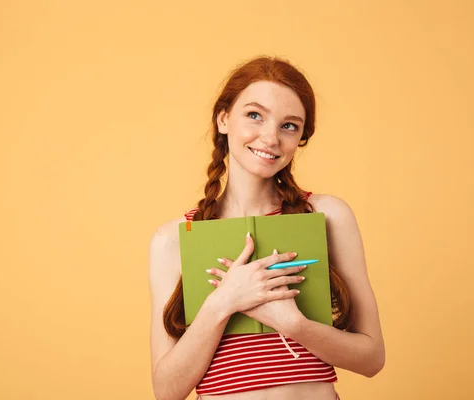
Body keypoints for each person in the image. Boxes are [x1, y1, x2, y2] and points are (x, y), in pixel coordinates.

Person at [149, 56, 385, 400]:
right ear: (224, 118)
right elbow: (166, 391)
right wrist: (224, 302)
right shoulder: (173, 239)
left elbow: (372, 358)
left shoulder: (326, 216)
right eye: (254, 115)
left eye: (289, 125)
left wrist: (293, 324)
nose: (271, 137)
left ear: (301, 137)